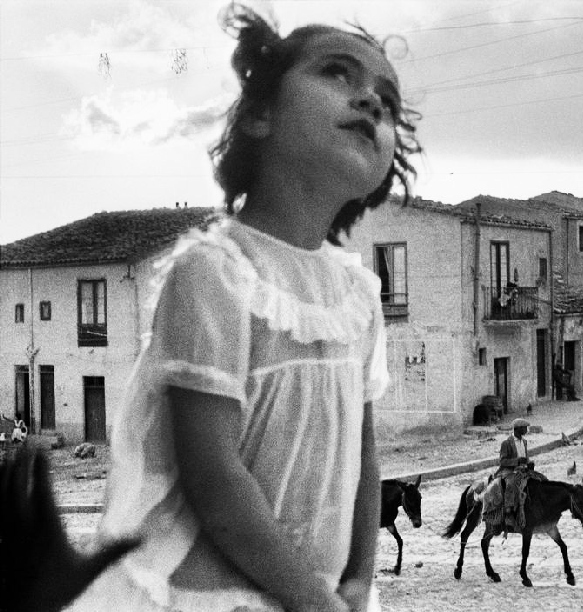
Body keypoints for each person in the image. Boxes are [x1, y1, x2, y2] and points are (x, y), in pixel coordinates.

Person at [68, 5, 421, 612]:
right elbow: (215, 476)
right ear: (260, 114)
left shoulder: (359, 297)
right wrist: (312, 600)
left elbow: (364, 460)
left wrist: (360, 581)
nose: (369, 101)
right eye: (337, 73)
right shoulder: (217, 272)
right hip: (218, 596)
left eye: (386, 102)